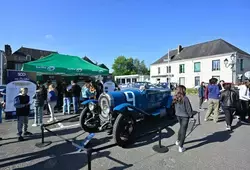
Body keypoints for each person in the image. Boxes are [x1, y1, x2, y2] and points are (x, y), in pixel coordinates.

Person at [173, 85, 193, 153]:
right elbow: (188, 108)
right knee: (183, 131)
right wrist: (191, 115)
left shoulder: (175, 97)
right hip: (184, 116)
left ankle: (178, 141)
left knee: (181, 128)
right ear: (183, 90)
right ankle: (181, 147)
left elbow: (175, 107)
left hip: (178, 115)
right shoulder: (185, 98)